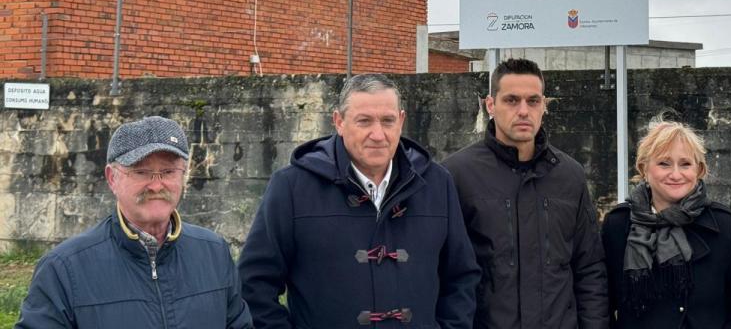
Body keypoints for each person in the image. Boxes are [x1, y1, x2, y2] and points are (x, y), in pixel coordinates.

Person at [238, 73, 479, 329]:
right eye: (364, 121)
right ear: (339, 122)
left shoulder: (436, 183)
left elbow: (461, 277)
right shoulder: (292, 187)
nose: (378, 134)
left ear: (401, 121)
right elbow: (254, 283)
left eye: (387, 121)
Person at [16, 116, 252, 329]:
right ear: (112, 178)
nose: (156, 185)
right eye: (141, 172)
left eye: (168, 171)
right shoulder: (64, 269)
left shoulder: (214, 253)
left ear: (183, 175)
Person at [442, 57, 608, 329]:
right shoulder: (456, 175)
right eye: (511, 100)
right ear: (490, 105)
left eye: (533, 101)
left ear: (544, 105)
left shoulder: (570, 176)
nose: (523, 111)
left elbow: (589, 269)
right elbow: (444, 271)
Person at [601, 119, 731, 329]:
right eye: (664, 163)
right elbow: (601, 304)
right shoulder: (618, 225)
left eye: (685, 164)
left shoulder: (724, 225)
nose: (675, 174)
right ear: (644, 168)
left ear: (699, 170)